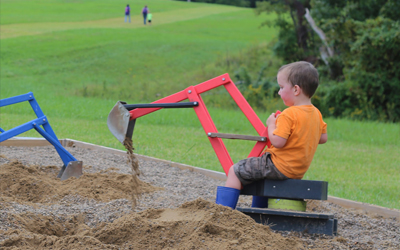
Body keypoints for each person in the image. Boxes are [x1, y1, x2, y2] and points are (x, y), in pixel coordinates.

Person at [215, 61, 328, 209]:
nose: (279, 92)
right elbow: (323, 138)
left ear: (296, 90)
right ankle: (260, 214)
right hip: (297, 170)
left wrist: (272, 124)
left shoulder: (290, 114)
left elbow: (278, 141)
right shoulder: (316, 114)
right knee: (258, 176)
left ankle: (222, 213)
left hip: (278, 166)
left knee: (235, 171)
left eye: (281, 87)